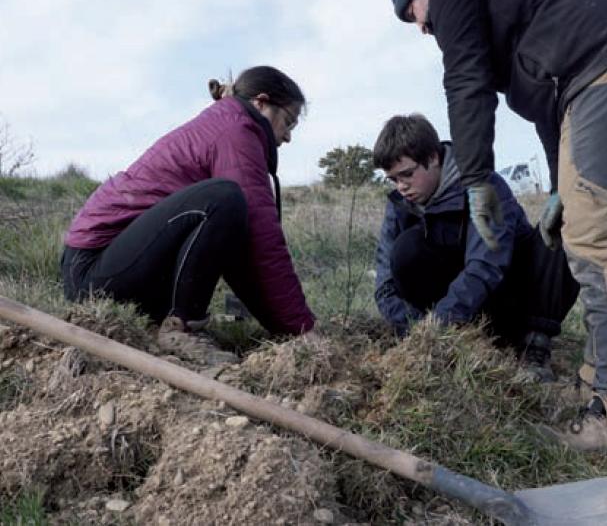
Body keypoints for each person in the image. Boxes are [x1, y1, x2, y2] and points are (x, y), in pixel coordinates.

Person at [389, 0, 607, 456]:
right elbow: (550, 108)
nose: (422, 29)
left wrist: (477, 176)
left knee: (601, 247)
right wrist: (558, 185)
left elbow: (466, 79)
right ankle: (598, 384)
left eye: (413, 14)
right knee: (606, 238)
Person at [62, 66, 315, 366]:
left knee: (227, 203)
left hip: (117, 267)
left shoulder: (229, 124)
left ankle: (169, 321)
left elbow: (241, 248)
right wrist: (303, 328)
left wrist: (288, 328)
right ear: (261, 103)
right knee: (223, 197)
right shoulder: (235, 130)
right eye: (288, 122)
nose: (287, 137)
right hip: (92, 271)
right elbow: (263, 239)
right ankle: (181, 327)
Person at [374, 113, 579, 381]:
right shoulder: (398, 206)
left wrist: (437, 324)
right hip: (459, 316)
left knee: (563, 230)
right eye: (393, 179)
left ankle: (534, 347)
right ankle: (462, 339)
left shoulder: (485, 186)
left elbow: (486, 266)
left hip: (511, 298)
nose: (401, 186)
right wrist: (417, 329)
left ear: (434, 158)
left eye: (408, 174)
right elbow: (384, 286)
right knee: (405, 251)